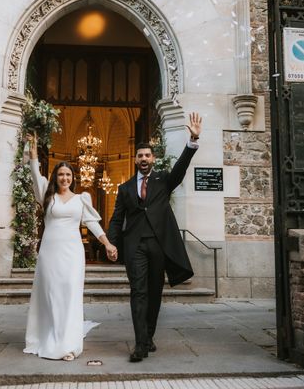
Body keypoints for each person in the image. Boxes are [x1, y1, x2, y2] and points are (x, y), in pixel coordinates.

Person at [107, 112, 202, 362]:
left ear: (153, 158)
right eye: (140, 156)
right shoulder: (125, 188)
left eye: (147, 155)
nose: (144, 159)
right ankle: (140, 345)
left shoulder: (163, 181)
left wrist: (192, 141)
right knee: (138, 292)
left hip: (159, 246)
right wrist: (111, 243)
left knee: (154, 293)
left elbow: (180, 170)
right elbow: (117, 218)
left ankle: (148, 336)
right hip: (134, 246)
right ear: (135, 159)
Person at [23, 132, 118, 361]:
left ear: (73, 177)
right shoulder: (47, 194)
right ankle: (48, 337)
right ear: (55, 177)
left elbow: (93, 223)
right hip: (50, 253)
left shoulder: (81, 198)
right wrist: (34, 155)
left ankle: (68, 344)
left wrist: (107, 244)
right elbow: (35, 176)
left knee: (70, 293)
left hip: (73, 253)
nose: (65, 178)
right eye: (61, 174)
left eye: (68, 174)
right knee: (51, 294)